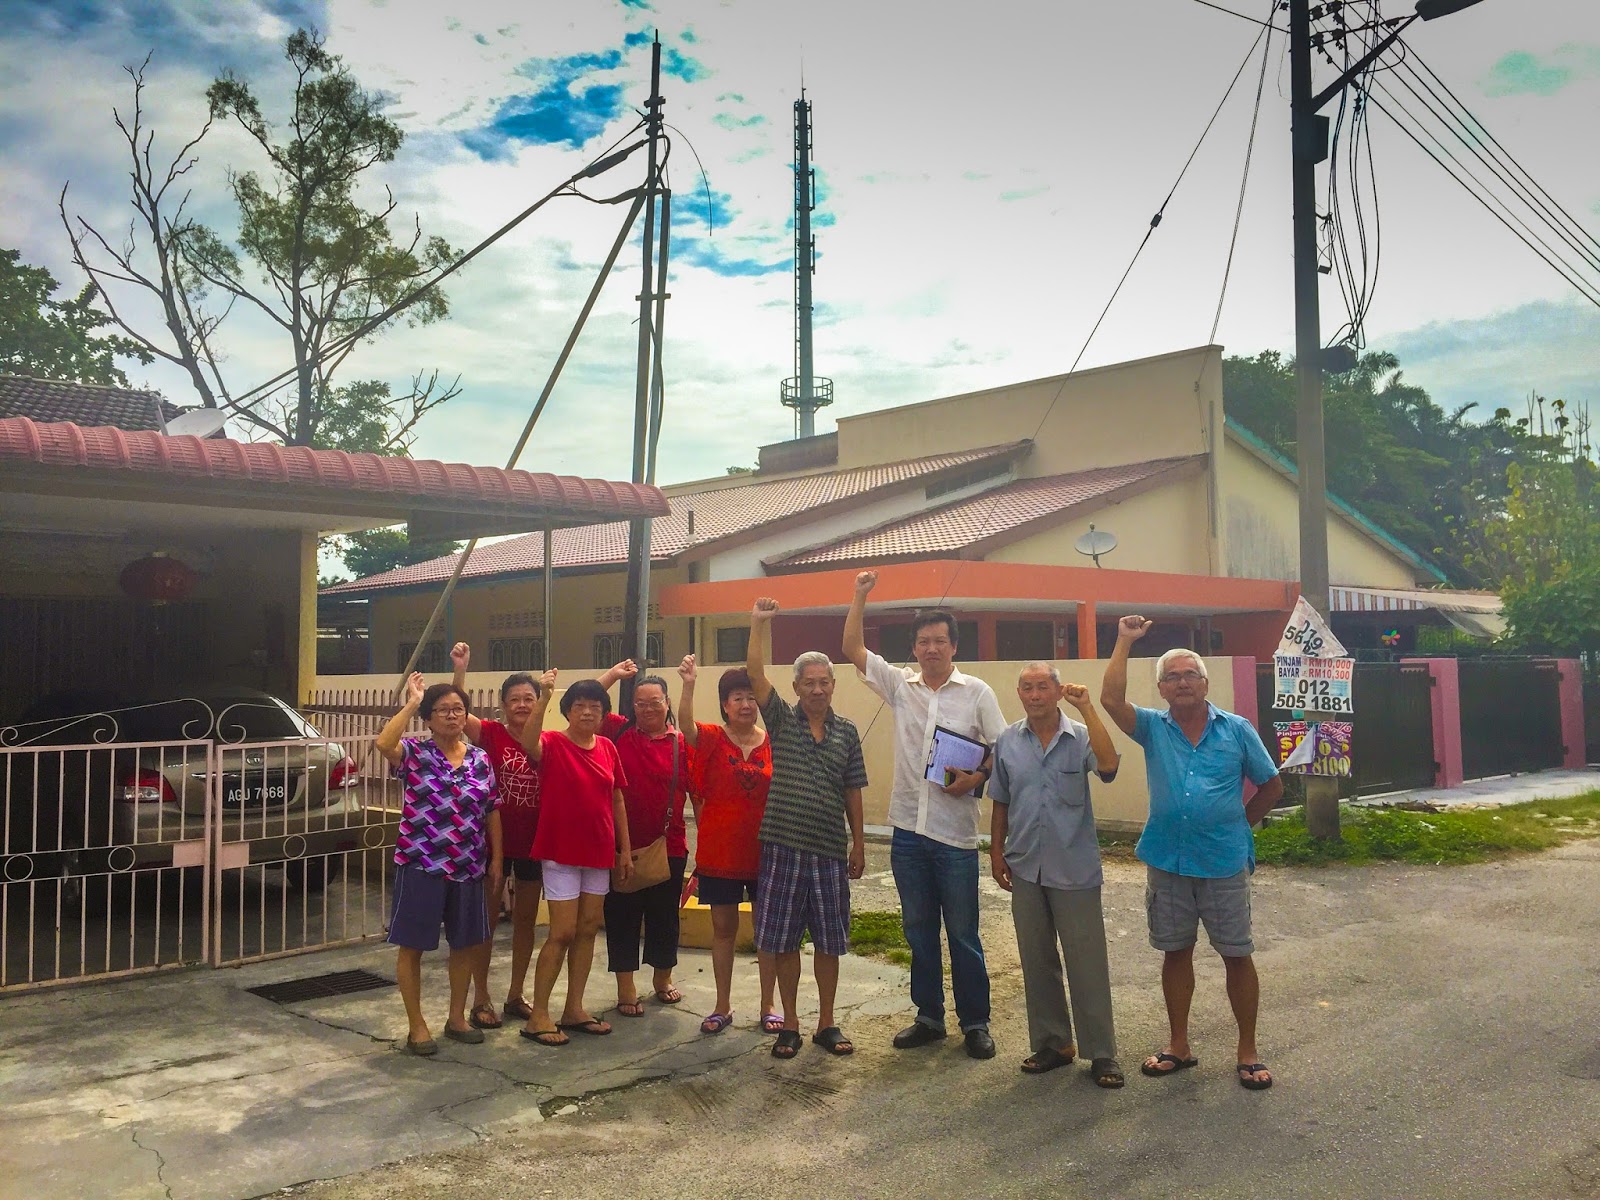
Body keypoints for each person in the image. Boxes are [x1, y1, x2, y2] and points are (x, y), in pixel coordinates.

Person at [1100, 616, 1283, 1091]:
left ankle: (1248, 1051)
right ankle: (1178, 1045)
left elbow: (1272, 784)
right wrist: (1124, 641)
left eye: (1190, 675)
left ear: (1205, 683)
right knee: (1175, 953)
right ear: (1161, 689)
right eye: (1172, 677)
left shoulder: (1236, 730)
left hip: (1223, 862)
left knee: (1237, 955)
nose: (1182, 682)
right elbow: (1111, 701)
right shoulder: (1152, 728)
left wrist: (1238, 824)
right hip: (1168, 860)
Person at [842, 571, 1007, 1060]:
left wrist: (976, 778)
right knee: (917, 930)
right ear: (913, 648)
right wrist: (861, 595)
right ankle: (929, 1017)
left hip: (955, 836)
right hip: (909, 833)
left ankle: (975, 1022)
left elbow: (1002, 750)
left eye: (939, 641)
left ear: (954, 646)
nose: (931, 649)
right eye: (923, 642)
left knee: (963, 933)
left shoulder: (977, 692)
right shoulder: (901, 686)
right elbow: (852, 648)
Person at [990, 662, 1124, 1087]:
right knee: (1037, 959)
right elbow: (1000, 799)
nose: (1035, 695)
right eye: (1027, 688)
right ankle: (1053, 1043)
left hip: (1074, 866)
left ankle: (1101, 1052)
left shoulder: (1080, 736)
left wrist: (1088, 708)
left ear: (1057, 690)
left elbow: (1108, 766)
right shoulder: (1008, 740)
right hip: (1025, 864)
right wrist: (996, 851)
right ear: (1019, 693)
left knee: (1087, 962)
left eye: (1043, 687)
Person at [746, 597, 868, 1060]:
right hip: (782, 847)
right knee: (783, 941)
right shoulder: (780, 720)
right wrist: (758, 624)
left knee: (829, 942)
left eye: (824, 682)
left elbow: (853, 790)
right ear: (796, 687)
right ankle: (791, 1024)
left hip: (829, 851)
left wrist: (858, 843)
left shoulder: (847, 732)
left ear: (833, 686)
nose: (817, 689)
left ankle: (827, 1023)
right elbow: (755, 674)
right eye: (808, 683)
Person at [375, 673, 502, 1056]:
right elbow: (384, 743)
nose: (451, 716)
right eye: (442, 710)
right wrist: (413, 701)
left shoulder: (480, 759)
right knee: (412, 946)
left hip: (468, 867)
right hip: (422, 864)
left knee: (464, 945)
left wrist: (497, 858)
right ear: (428, 718)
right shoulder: (415, 752)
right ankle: (417, 1026)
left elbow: (492, 810)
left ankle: (457, 1018)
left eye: (458, 709)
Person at [515, 673, 634, 1046]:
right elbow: (528, 741)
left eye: (594, 707)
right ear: (567, 711)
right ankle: (538, 1016)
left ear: (603, 714)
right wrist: (544, 696)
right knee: (562, 932)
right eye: (579, 706)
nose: (586, 712)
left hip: (598, 851)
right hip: (561, 851)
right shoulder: (552, 742)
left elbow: (617, 798)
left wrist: (625, 849)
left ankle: (574, 1009)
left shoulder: (608, 748)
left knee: (587, 929)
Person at [677, 653, 780, 1035]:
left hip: (766, 852)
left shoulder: (773, 742)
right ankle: (722, 1005)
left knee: (768, 931)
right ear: (725, 705)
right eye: (738, 698)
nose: (746, 704)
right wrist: (688, 685)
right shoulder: (712, 738)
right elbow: (685, 726)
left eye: (751, 697)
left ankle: (769, 1005)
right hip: (719, 853)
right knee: (723, 930)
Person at [448, 643, 547, 1030]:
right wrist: (461, 669)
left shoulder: (546, 740)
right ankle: (481, 997)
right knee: (485, 922)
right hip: (491, 845)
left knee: (525, 922)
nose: (522, 705)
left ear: (538, 703)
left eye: (529, 699)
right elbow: (458, 713)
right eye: (515, 699)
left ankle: (516, 994)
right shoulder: (490, 734)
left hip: (533, 844)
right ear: (503, 704)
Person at [598, 662, 692, 1017]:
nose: (648, 709)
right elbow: (588, 696)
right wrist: (613, 675)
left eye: (655, 702)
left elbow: (698, 795)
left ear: (667, 703)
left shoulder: (681, 744)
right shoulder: (618, 732)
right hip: (621, 846)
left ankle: (662, 979)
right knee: (621, 917)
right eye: (641, 703)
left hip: (669, 845)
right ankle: (626, 987)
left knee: (664, 917)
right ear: (632, 706)